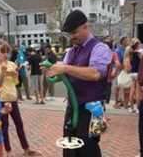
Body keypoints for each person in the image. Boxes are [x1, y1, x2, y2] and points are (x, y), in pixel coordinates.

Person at [46, 10, 111, 157]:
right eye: (70, 34)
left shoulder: (100, 48)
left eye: (74, 32)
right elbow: (65, 74)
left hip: (94, 111)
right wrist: (53, 72)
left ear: (86, 27)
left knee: (89, 148)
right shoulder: (71, 51)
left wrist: (65, 68)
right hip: (73, 107)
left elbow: (95, 73)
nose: (72, 37)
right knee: (69, 147)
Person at [0, 41, 42, 157]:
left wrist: (15, 74)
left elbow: (16, 82)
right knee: (4, 127)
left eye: (7, 52)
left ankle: (26, 149)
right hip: (1, 100)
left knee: (19, 124)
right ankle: (8, 152)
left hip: (13, 98)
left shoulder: (12, 64)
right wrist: (3, 73)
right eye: (2, 52)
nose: (5, 54)